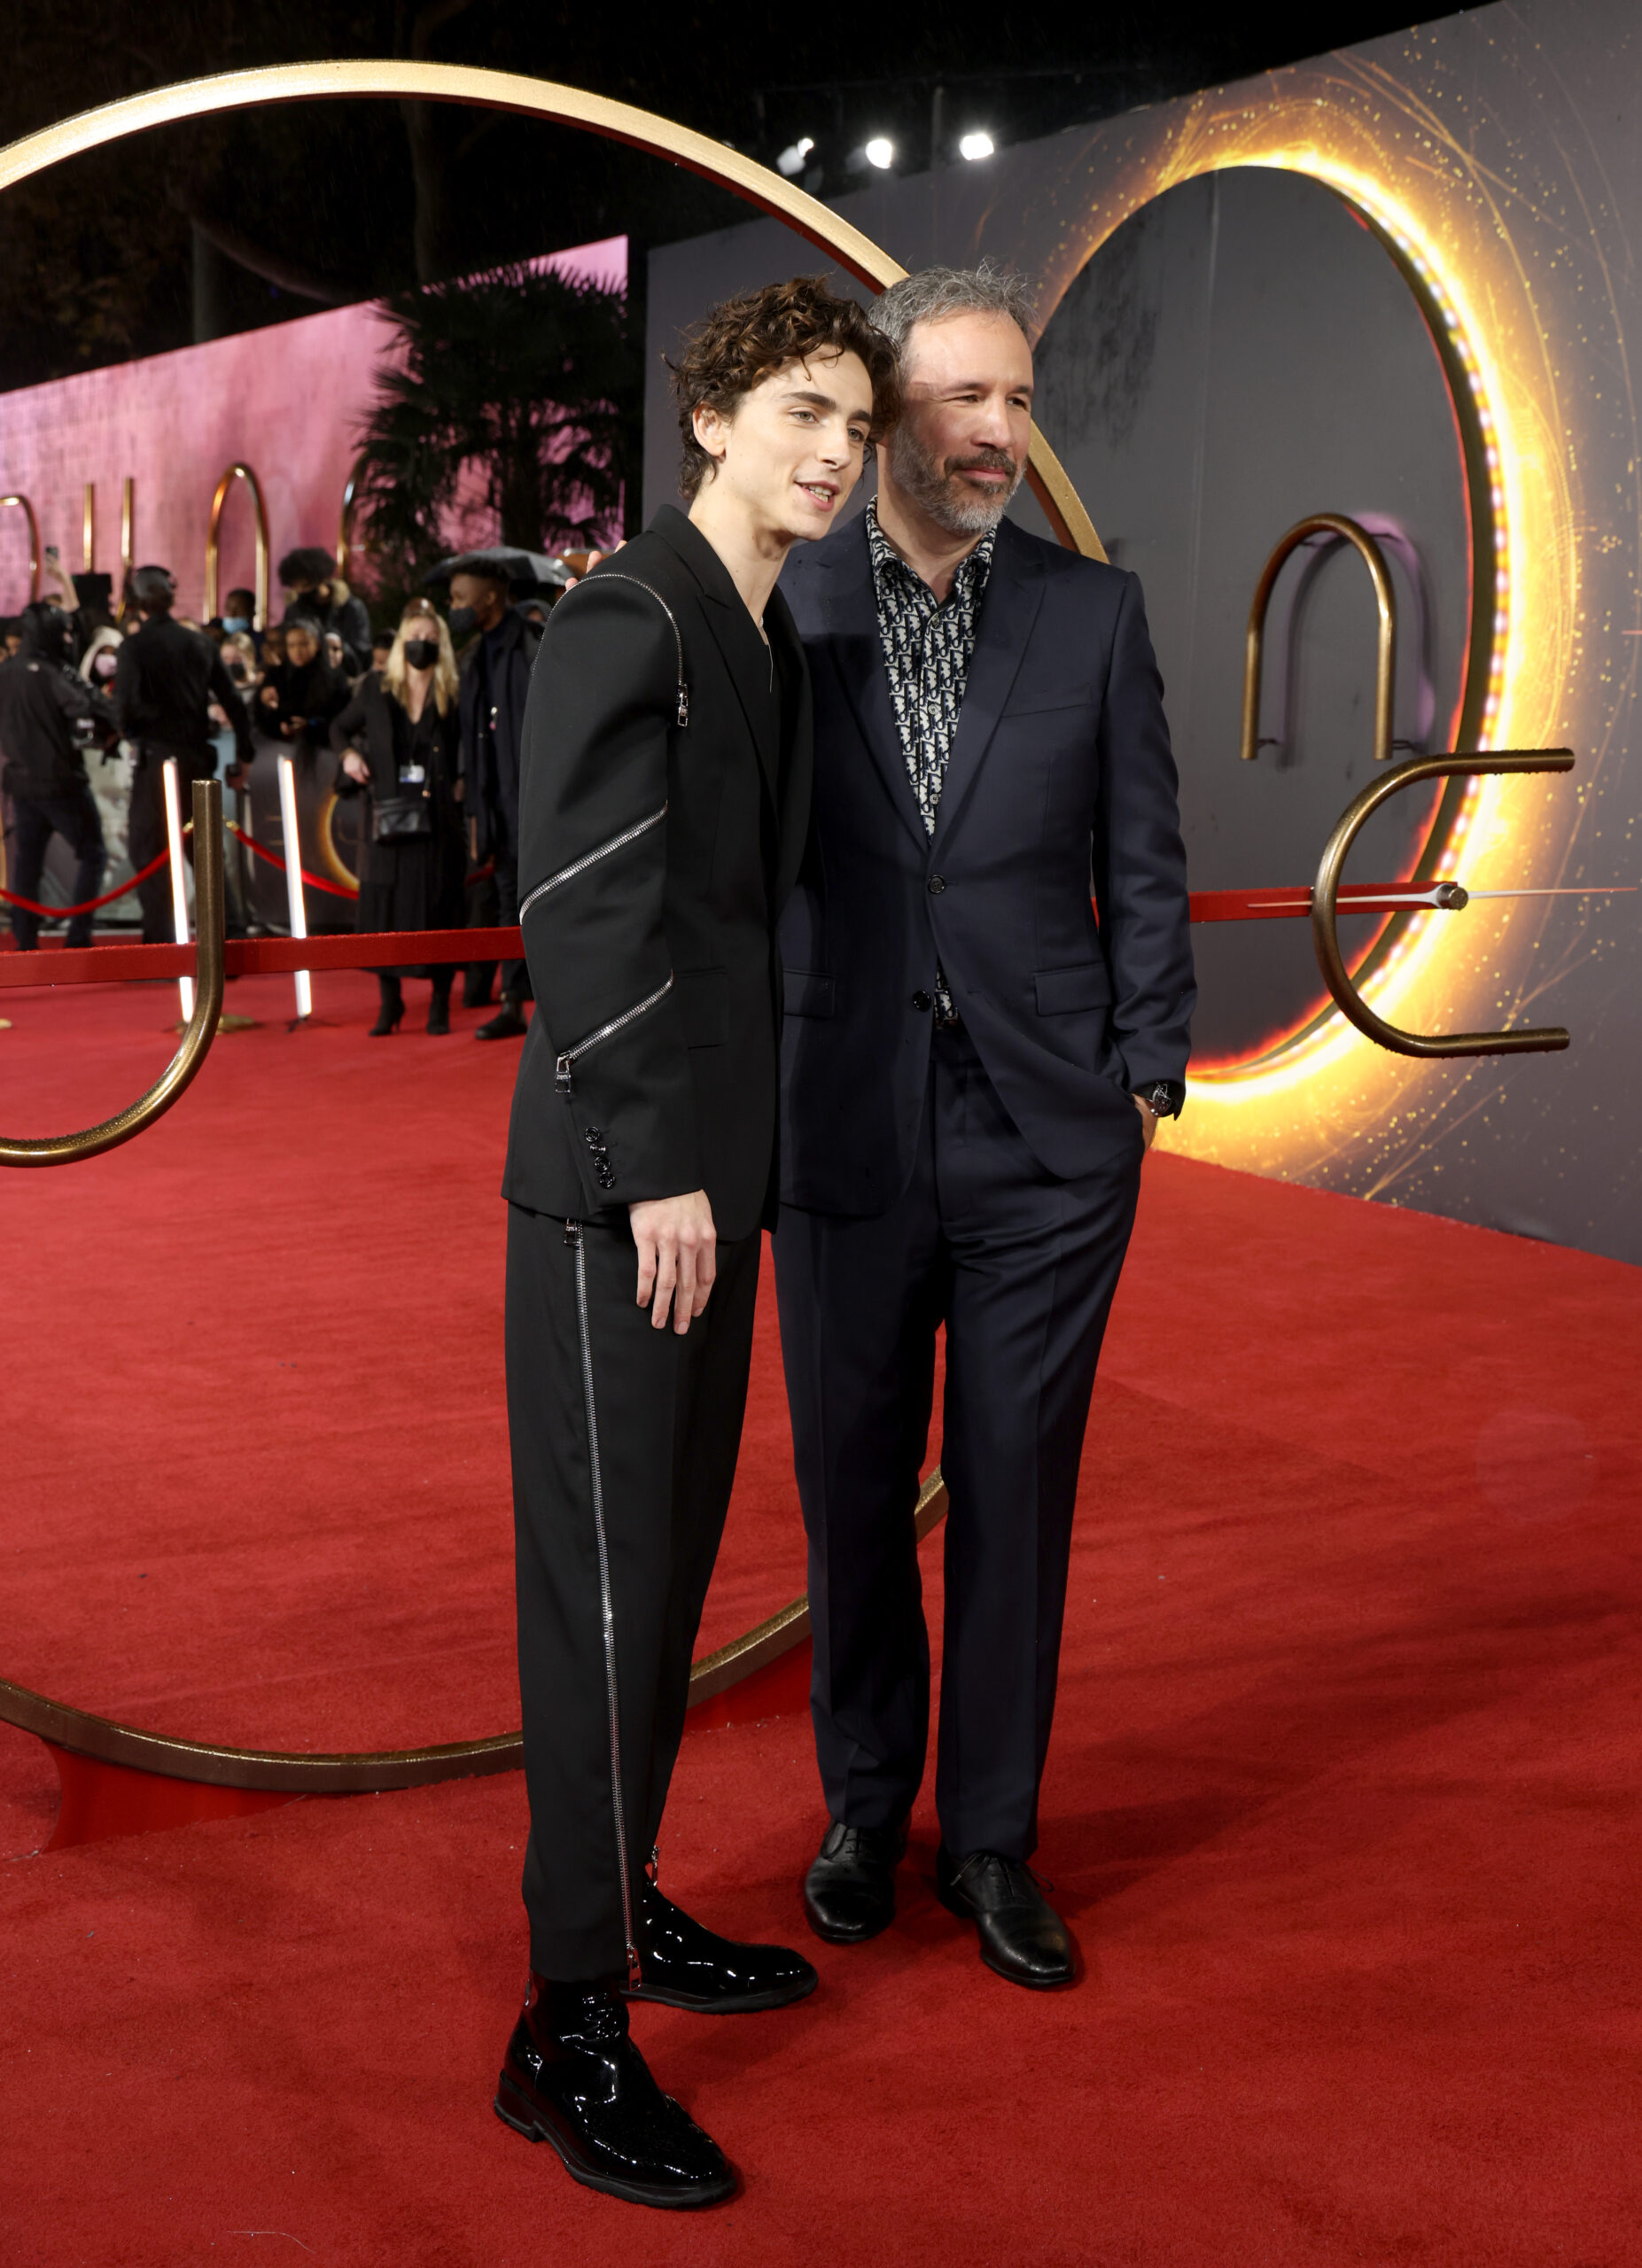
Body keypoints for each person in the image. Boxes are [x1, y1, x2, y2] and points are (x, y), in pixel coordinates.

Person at [495, 276, 899, 2210]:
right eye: (802, 412)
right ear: (714, 417)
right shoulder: (629, 610)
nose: (834, 452)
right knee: (602, 1597)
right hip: (622, 1190)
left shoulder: (764, 628)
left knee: (656, 1585)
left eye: (855, 427)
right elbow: (581, 904)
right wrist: (657, 1162)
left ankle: (624, 1900)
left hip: (708, 1180)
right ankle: (563, 2026)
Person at [774, 263, 1195, 1988]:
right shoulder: (787, 601)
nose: (997, 432)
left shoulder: (1092, 614)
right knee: (850, 1487)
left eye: (1015, 398)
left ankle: (992, 1837)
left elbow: (1143, 856)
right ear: (884, 410)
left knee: (1017, 1490)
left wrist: (1146, 1071)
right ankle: (863, 1808)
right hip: (840, 1122)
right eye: (962, 396)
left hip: (1046, 1138)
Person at [330, 603, 465, 1035]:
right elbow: (338, 728)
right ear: (402, 641)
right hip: (387, 814)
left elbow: (467, 747)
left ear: (441, 644)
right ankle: (390, 1004)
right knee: (383, 910)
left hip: (438, 817)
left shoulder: (452, 691)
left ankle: (440, 1003)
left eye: (430, 638)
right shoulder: (376, 688)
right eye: (414, 636)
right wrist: (349, 756)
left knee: (439, 908)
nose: (421, 644)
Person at [113, 564, 252, 942]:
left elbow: (122, 712)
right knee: (203, 851)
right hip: (196, 762)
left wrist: (131, 731)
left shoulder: (134, 647)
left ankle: (161, 942)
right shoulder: (200, 644)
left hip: (156, 764)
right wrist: (244, 755)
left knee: (149, 851)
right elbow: (234, 703)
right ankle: (230, 937)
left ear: (138, 602)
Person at [449, 562, 539, 1038]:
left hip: (535, 805)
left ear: (489, 598)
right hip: (495, 809)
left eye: (459, 598)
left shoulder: (533, 645)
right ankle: (511, 1003)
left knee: (545, 906)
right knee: (508, 906)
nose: (453, 607)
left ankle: (554, 1008)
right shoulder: (473, 657)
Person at [0, 600, 116, 950]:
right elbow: (89, 705)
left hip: (22, 783)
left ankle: (25, 940)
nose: (68, 639)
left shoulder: (6, 672)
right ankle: (78, 936)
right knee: (93, 854)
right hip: (62, 783)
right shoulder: (54, 672)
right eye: (64, 632)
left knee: (27, 864)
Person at [276, 545, 372, 672]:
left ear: (322, 579)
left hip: (343, 678)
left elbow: (362, 654)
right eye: (297, 587)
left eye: (306, 585)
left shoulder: (351, 608)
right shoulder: (295, 609)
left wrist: (337, 645)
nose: (302, 592)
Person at [257, 614, 349, 742]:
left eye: (304, 644)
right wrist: (265, 704)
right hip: (278, 744)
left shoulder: (334, 678)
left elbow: (341, 719)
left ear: (317, 645)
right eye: (291, 645)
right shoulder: (275, 675)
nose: (297, 651)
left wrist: (310, 725)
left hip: (322, 745)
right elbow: (260, 717)